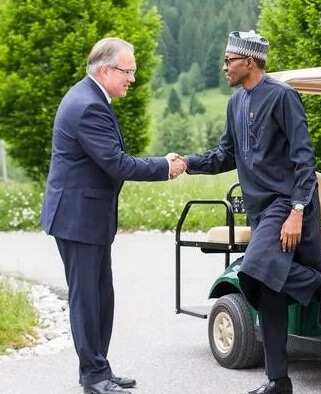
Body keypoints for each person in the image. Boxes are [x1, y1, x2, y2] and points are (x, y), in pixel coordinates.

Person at [182, 31, 321, 394]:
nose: (224, 66)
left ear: (249, 62)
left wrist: (298, 210)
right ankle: (278, 380)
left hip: (287, 203)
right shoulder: (235, 103)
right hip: (260, 211)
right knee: (266, 289)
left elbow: (304, 159)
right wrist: (187, 163)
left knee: (252, 269)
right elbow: (225, 154)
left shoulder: (283, 96)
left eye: (229, 60)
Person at [40, 38, 187, 394]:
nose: (132, 79)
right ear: (105, 70)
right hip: (78, 219)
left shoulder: (89, 98)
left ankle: (98, 369)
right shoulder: (88, 105)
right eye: (128, 71)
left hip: (85, 217)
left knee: (100, 296)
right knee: (88, 298)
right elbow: (116, 162)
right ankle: (94, 377)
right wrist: (165, 167)